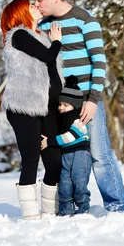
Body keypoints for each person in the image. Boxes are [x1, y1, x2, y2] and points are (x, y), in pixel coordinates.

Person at [33, 0, 124, 213]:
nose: (36, 4)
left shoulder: (85, 19)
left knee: (99, 153)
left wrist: (93, 99)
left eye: (39, 0)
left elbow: (99, 61)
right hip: (59, 104)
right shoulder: (44, 25)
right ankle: (70, 205)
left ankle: (118, 205)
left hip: (86, 100)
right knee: (64, 154)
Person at [0, 0, 64, 219]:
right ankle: (30, 217)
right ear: (19, 13)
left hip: (47, 108)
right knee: (30, 160)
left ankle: (51, 213)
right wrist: (57, 42)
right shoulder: (18, 35)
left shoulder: (43, 38)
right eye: (30, 5)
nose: (36, 6)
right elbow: (48, 57)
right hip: (23, 107)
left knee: (54, 161)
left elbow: (52, 70)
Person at [41, 75, 92, 216]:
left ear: (74, 105)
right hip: (65, 155)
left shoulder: (79, 121)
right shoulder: (61, 121)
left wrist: (49, 141)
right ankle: (66, 211)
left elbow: (69, 137)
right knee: (64, 185)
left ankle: (83, 211)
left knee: (79, 183)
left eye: (65, 105)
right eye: (60, 104)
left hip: (80, 155)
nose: (61, 108)